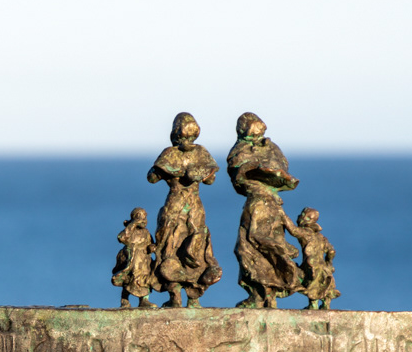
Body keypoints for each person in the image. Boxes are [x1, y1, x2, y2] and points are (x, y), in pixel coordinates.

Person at [147, 112, 222, 308]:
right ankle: (188, 297)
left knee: (173, 246)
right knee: (183, 246)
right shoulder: (195, 153)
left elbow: (152, 177)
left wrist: (178, 171)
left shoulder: (175, 153)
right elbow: (153, 176)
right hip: (188, 204)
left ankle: (180, 295)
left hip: (180, 204)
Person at [227, 112, 302, 308]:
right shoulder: (239, 149)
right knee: (248, 247)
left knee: (259, 245)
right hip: (257, 202)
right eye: (252, 135)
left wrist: (266, 171)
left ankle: (269, 293)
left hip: (267, 203)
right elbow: (237, 176)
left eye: (258, 134)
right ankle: (261, 294)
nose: (256, 139)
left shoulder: (272, 148)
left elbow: (282, 170)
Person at [286, 208, 339, 309]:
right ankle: (325, 305)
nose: (302, 218)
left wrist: (283, 217)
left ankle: (313, 305)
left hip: (311, 265)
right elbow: (331, 251)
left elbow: (293, 230)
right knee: (323, 283)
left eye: (307, 217)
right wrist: (329, 263)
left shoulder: (306, 233)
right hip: (323, 266)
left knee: (310, 283)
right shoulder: (321, 237)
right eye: (302, 214)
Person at [111, 207, 158, 308]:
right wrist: (132, 225)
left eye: (145, 218)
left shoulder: (146, 232)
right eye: (141, 218)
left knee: (145, 278)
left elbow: (150, 243)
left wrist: (151, 247)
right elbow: (121, 238)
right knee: (129, 278)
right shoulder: (130, 230)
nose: (144, 221)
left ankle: (144, 300)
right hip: (132, 257)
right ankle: (125, 299)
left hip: (144, 259)